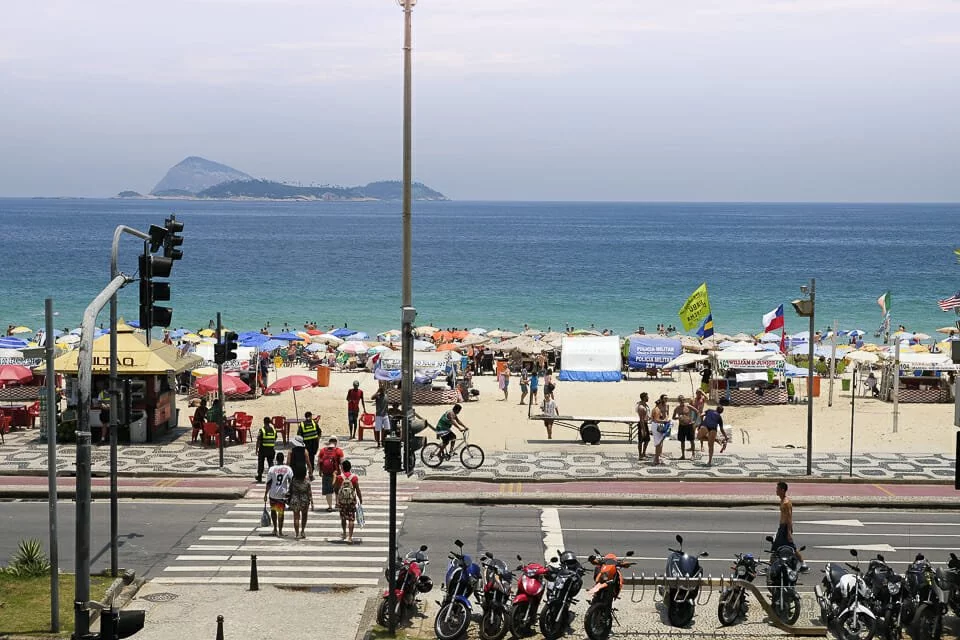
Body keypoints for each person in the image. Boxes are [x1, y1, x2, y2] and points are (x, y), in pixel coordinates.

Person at [773, 481, 808, 571]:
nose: (776, 490)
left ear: (782, 490)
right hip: (782, 527)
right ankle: (773, 564)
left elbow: (789, 518)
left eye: (777, 489)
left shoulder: (786, 502)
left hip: (784, 528)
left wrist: (789, 532)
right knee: (777, 546)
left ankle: (803, 564)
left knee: (788, 547)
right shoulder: (782, 500)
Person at [287, 436, 313, 539]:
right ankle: (302, 531)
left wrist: (288, 476)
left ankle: (297, 533)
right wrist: (310, 473)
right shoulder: (305, 451)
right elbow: (308, 463)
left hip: (294, 478)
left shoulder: (291, 451)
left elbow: (288, 464)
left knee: (296, 515)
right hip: (303, 477)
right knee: (304, 514)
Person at [263, 452, 292, 537]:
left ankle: (275, 529)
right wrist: (290, 491)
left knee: (273, 511)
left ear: (276, 459)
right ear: (283, 459)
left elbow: (268, 483)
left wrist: (265, 494)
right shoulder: (287, 469)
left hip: (273, 493)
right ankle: (280, 531)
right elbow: (291, 481)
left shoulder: (272, 469)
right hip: (282, 494)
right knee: (281, 513)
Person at [334, 460, 363, 544]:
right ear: (350, 468)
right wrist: (360, 499)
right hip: (351, 501)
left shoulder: (340, 477)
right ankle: (350, 537)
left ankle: (344, 533)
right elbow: (357, 490)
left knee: (343, 517)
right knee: (351, 518)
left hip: (342, 501)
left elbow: (335, 488)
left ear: (342, 468)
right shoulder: (354, 478)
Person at [317, 437, 344, 512]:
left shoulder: (322, 450)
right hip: (336, 473)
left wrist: (320, 471)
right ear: (336, 442)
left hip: (326, 474)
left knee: (328, 491)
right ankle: (337, 503)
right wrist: (343, 473)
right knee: (337, 489)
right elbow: (342, 463)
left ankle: (329, 506)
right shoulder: (339, 451)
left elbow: (319, 462)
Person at [672, 395, 698, 460]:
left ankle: (693, 454)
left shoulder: (688, 406)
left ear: (684, 400)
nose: (681, 401)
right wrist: (678, 417)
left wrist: (694, 421)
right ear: (678, 400)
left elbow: (697, 411)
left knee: (691, 440)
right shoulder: (677, 408)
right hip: (681, 426)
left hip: (689, 425)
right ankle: (683, 455)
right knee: (682, 441)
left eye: (683, 399)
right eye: (680, 400)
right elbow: (673, 417)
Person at [297, 411, 320, 479]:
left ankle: (303, 475)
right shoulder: (314, 423)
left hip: (305, 445)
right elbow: (319, 432)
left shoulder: (302, 424)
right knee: (311, 459)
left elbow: (299, 435)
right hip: (314, 445)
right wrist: (317, 440)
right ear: (310, 416)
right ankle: (311, 474)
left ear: (305, 416)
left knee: (304, 460)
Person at [255, 416, 277, 483]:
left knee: (261, 463)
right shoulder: (273, 430)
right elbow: (275, 438)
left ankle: (260, 476)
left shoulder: (262, 430)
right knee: (271, 463)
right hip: (271, 449)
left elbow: (258, 440)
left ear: (264, 422)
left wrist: (256, 449)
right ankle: (272, 477)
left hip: (263, 449)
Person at [650, 395, 670, 466]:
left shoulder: (659, 408)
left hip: (659, 424)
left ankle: (657, 457)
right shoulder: (657, 409)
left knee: (660, 441)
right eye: (665, 398)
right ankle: (656, 459)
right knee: (658, 443)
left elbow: (667, 414)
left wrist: (665, 419)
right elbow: (655, 419)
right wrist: (663, 421)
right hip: (658, 424)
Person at [371, 383, 389, 448]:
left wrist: (387, 413)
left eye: (383, 390)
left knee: (386, 429)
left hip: (385, 415)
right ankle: (378, 442)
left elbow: (387, 406)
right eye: (381, 390)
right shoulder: (377, 396)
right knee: (378, 429)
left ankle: (383, 441)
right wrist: (377, 392)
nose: (382, 391)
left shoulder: (386, 396)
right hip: (379, 415)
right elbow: (372, 398)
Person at [636, 392, 650, 458]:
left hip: (645, 423)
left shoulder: (645, 405)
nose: (648, 398)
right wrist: (643, 429)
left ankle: (643, 453)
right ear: (644, 397)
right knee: (641, 440)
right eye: (647, 397)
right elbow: (641, 419)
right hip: (642, 424)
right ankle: (640, 455)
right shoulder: (641, 407)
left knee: (647, 440)